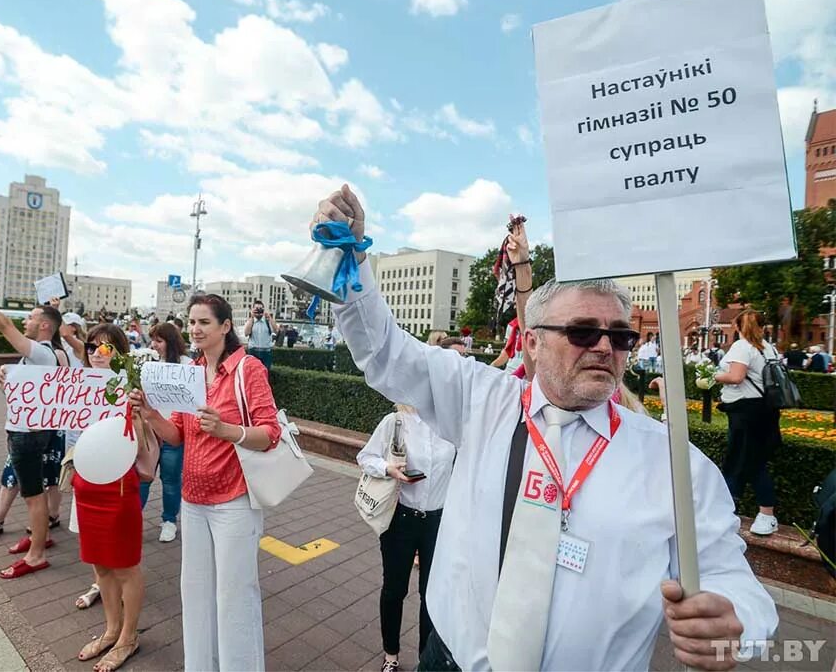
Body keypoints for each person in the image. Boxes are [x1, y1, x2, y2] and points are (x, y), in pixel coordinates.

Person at [312, 184, 776, 671]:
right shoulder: (482, 400)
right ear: (531, 343)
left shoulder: (673, 463)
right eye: (581, 332)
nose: (603, 347)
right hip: (446, 661)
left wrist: (732, 620)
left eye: (619, 336)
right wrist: (351, 255)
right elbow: (384, 351)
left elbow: (732, 579)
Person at [129, 293, 281, 672]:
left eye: (204, 323)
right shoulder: (190, 372)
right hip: (193, 500)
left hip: (234, 501)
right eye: (191, 322)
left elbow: (270, 433)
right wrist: (149, 414)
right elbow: (177, 434)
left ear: (225, 326)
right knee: (195, 592)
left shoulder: (249, 368)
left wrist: (228, 430)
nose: (195, 329)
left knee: (235, 596)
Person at [358, 336, 459, 672]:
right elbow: (365, 456)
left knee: (432, 596)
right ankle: (390, 656)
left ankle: (424, 662)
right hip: (400, 519)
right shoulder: (396, 422)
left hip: (438, 522)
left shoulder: (454, 426)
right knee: (394, 589)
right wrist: (388, 468)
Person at [0, 268, 64, 579]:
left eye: (31, 318)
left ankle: (36, 556)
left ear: (44, 326)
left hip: (27, 434)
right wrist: (5, 379)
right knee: (37, 493)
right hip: (32, 430)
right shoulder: (40, 357)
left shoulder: (43, 353)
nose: (24, 322)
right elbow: (23, 392)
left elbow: (4, 324)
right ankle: (39, 538)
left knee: (32, 496)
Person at [74, 323, 157, 672]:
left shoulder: (132, 392)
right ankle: (111, 629)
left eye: (106, 348)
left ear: (121, 354)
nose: (96, 352)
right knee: (100, 565)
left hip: (119, 487)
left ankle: (128, 636)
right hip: (86, 484)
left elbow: (143, 453)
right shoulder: (77, 386)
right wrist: (13, 389)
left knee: (124, 565)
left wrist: (138, 416)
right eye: (92, 346)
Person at [713, 310, 784, 536]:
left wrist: (713, 375)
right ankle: (727, 509)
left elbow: (735, 376)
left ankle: (766, 514)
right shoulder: (768, 348)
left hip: (747, 412)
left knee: (745, 461)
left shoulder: (743, 347)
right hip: (765, 410)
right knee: (744, 460)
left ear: (739, 327)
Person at [148, 322, 190, 543]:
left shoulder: (187, 365)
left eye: (159, 340)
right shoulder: (147, 363)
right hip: (149, 432)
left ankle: (169, 520)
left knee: (170, 479)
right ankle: (132, 519)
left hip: (173, 432)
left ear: (171, 342)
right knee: (142, 477)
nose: (154, 345)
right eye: (153, 340)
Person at [243, 299, 279, 370]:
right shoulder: (251, 321)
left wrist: (270, 318)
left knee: (265, 374)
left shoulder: (267, 321)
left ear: (263, 310)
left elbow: (276, 331)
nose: (258, 311)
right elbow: (246, 333)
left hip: (266, 352)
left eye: (260, 309)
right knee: (252, 374)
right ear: (253, 310)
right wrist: (252, 317)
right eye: (256, 309)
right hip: (253, 352)